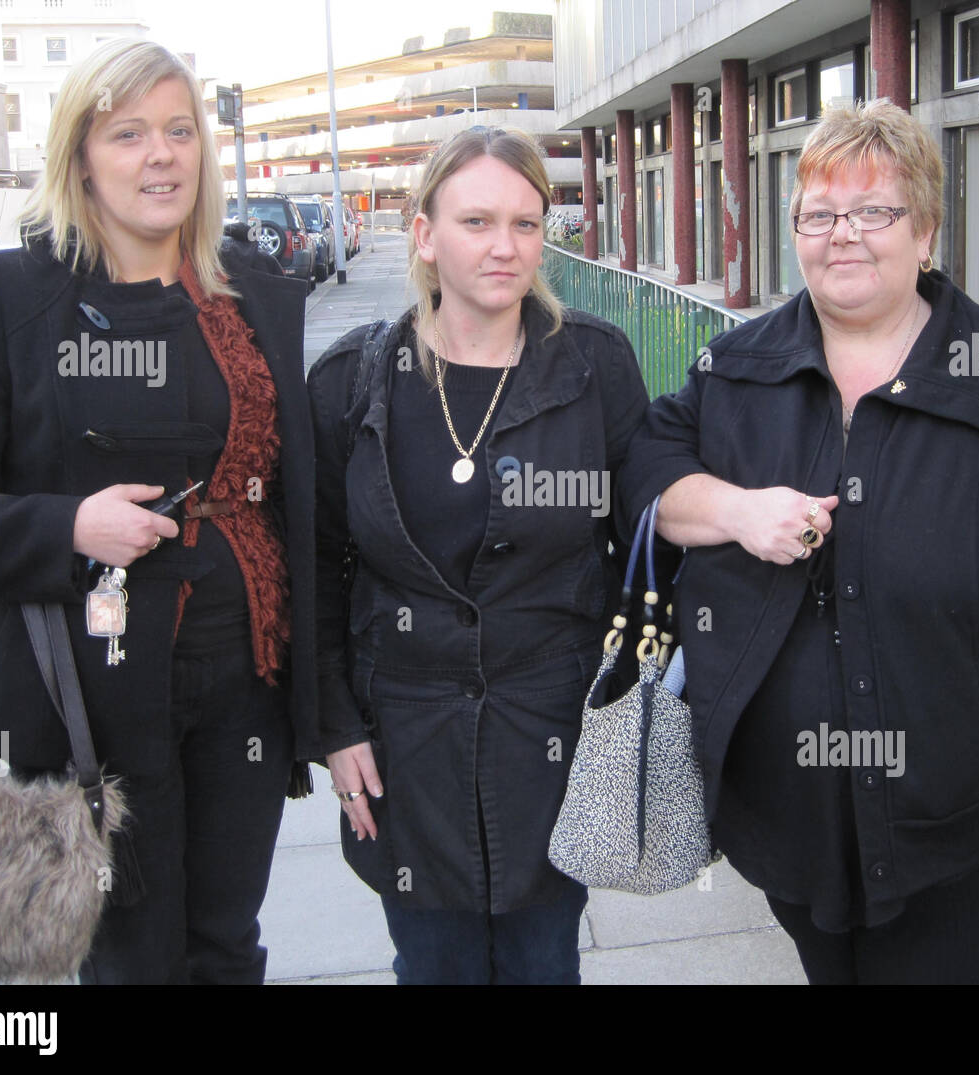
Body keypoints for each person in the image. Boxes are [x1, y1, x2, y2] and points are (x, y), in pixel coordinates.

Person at [615, 99, 979, 984]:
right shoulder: (737, 369)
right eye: (818, 215)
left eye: (874, 212)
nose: (842, 235)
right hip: (787, 810)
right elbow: (644, 467)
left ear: (926, 231)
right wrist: (738, 510)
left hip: (958, 808)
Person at [0, 39, 326, 984]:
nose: (160, 154)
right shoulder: (7, 297)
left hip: (245, 678)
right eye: (128, 133)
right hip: (89, 700)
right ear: (81, 156)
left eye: (179, 131)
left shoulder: (248, 289)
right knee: (128, 959)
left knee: (226, 941)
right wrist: (66, 528)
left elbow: (294, 490)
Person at [310, 126, 648, 984]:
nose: (506, 247)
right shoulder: (355, 380)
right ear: (423, 233)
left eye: (527, 223)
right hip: (406, 741)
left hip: (553, 733)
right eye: (477, 221)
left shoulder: (594, 365)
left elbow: (647, 523)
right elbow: (315, 567)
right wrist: (336, 725)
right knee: (433, 964)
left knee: (544, 961)